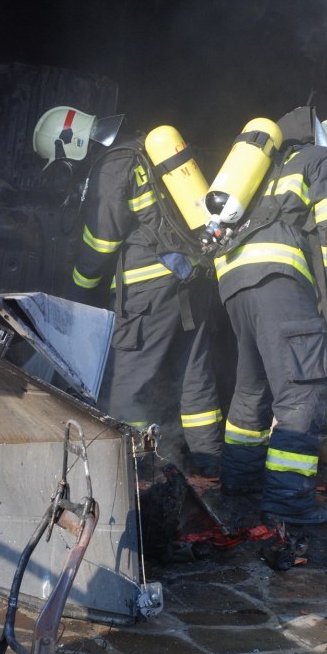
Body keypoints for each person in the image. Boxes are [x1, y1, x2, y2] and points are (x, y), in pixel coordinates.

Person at [32, 106, 222, 474]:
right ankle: (208, 466)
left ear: (70, 144)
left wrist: (78, 293)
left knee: (125, 386)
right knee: (194, 376)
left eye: (63, 164)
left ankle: (134, 475)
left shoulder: (112, 165)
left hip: (148, 292)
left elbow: (100, 243)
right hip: (192, 281)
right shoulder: (144, 151)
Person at [212, 106, 327, 524]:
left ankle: (240, 485)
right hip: (280, 283)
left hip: (234, 287)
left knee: (252, 390)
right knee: (303, 393)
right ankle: (289, 503)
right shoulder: (326, 161)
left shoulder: (265, 171)